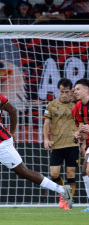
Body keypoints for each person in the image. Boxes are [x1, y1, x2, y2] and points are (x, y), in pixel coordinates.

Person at [0, 70, 73, 208]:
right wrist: (12, 132)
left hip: (0, 143)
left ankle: (62, 190)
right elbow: (12, 111)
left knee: (24, 172)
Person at [43, 78, 78, 210]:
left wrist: (82, 143)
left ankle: (68, 200)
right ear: (59, 90)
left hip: (72, 144)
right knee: (54, 174)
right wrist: (46, 139)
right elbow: (46, 123)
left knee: (71, 173)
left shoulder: (76, 104)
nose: (64, 94)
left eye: (67, 92)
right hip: (56, 144)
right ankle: (64, 193)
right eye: (62, 92)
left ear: (71, 91)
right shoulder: (52, 105)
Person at [72, 79, 89, 212]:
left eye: (77, 89)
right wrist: (78, 134)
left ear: (86, 89)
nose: (75, 91)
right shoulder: (78, 106)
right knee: (85, 171)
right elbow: (82, 127)